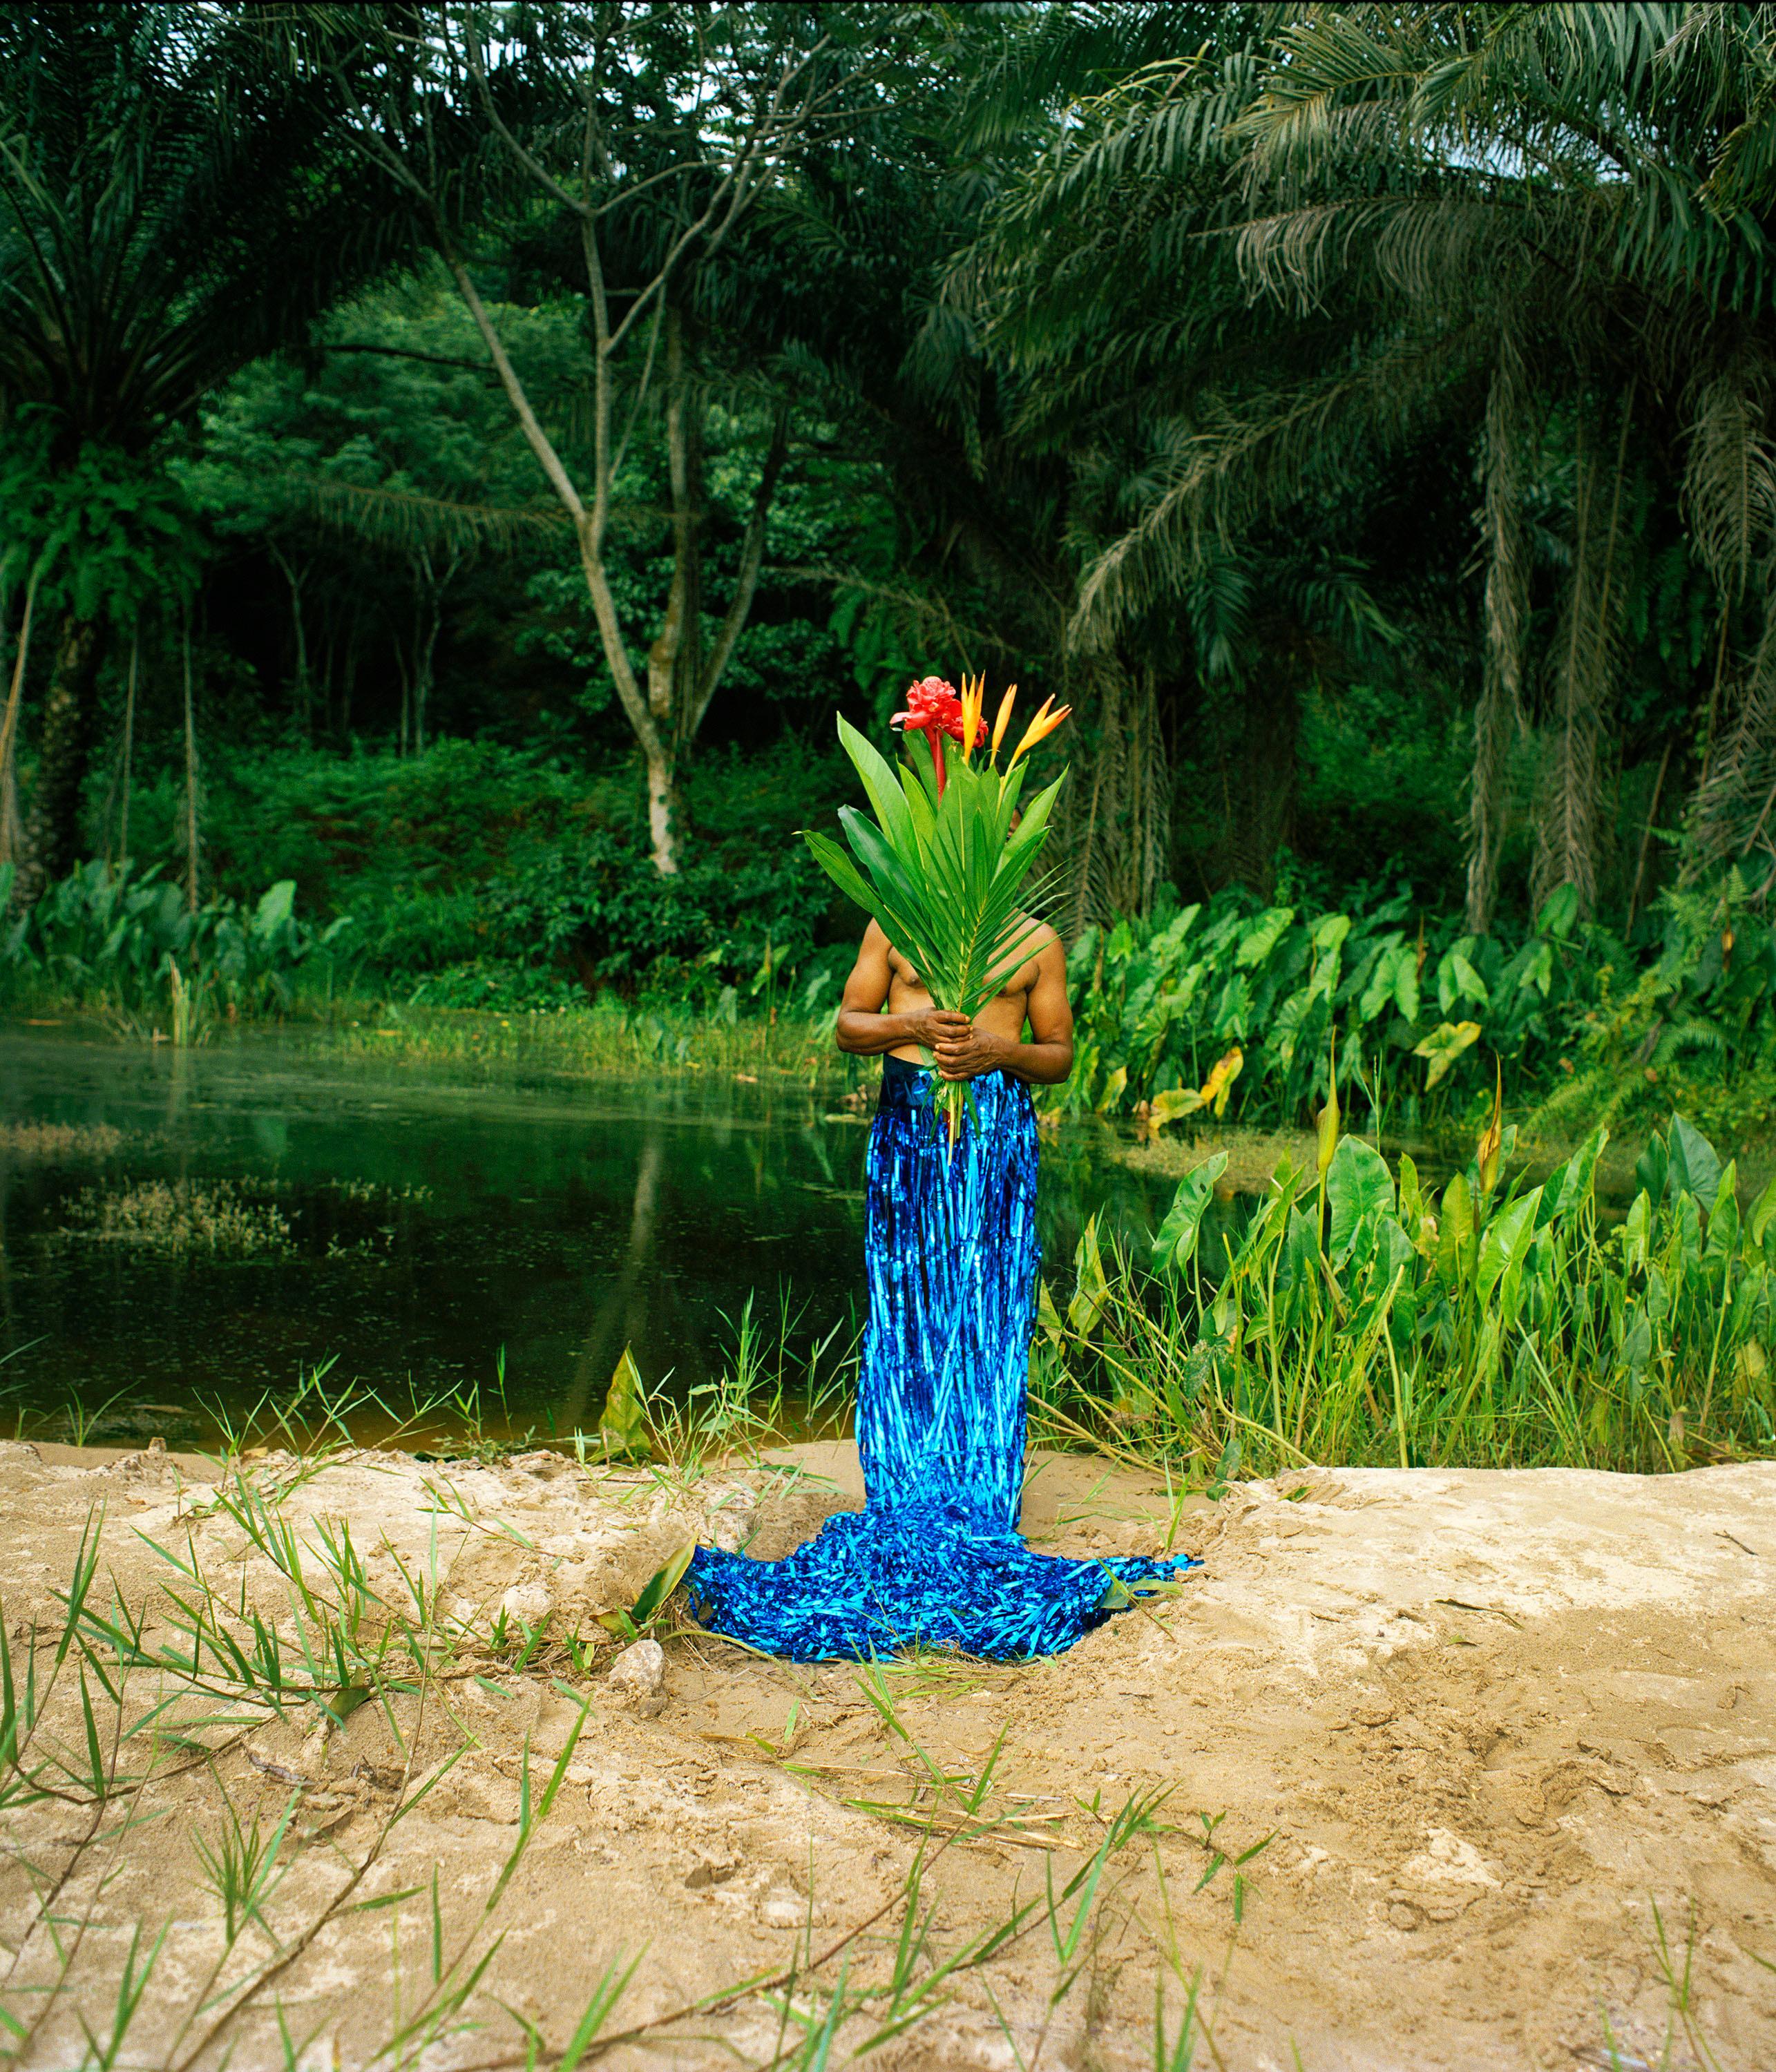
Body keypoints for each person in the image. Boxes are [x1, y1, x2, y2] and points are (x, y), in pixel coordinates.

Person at [682, 912, 1192, 1661]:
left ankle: (980, 1491)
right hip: (908, 1126)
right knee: (907, 1311)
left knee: (987, 1313)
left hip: (998, 1134)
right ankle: (903, 1487)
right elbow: (848, 1026)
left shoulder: (1036, 941)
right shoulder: (894, 923)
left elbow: (1058, 1057)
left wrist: (998, 1050)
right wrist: (912, 1023)